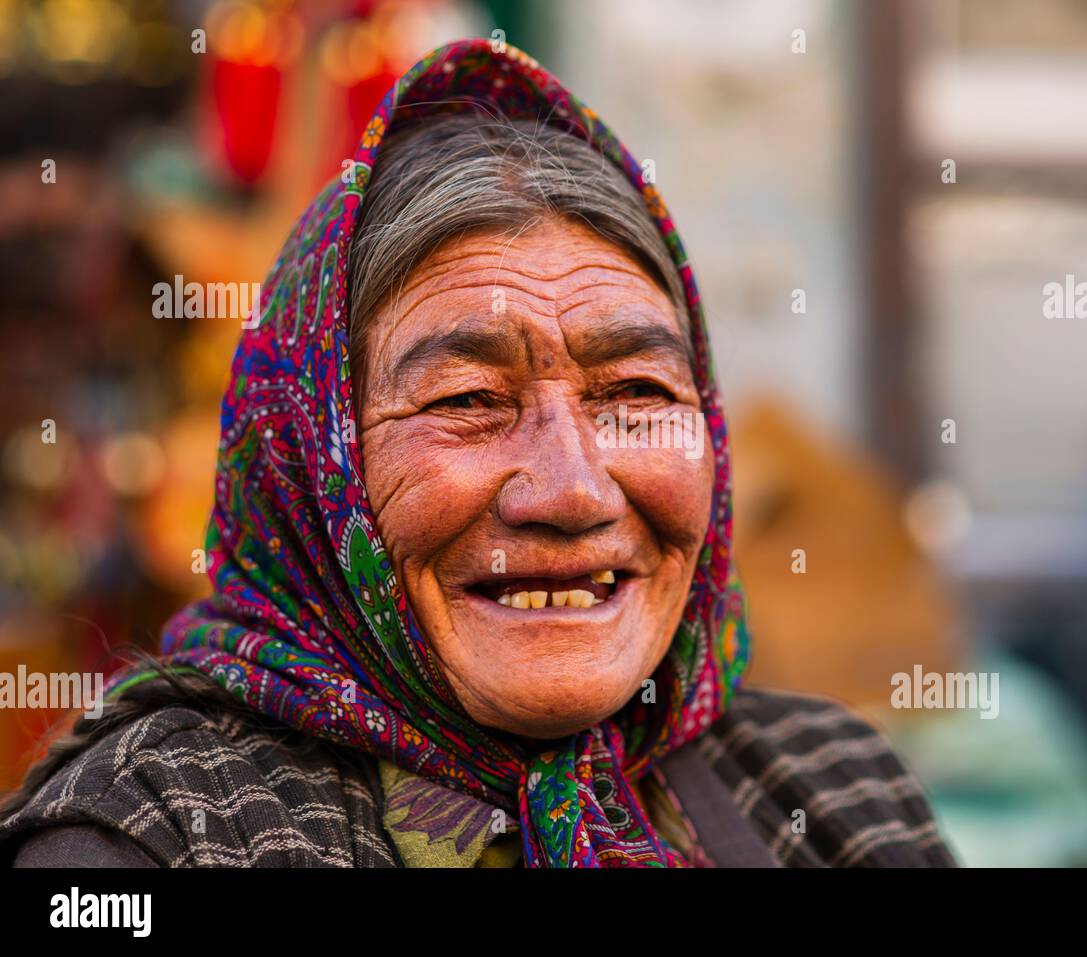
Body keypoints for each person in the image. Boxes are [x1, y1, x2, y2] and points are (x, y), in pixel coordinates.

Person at [0, 38, 954, 868]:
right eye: (467, 401)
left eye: (636, 393)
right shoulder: (147, 842)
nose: (574, 491)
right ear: (309, 468)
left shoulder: (838, 793)